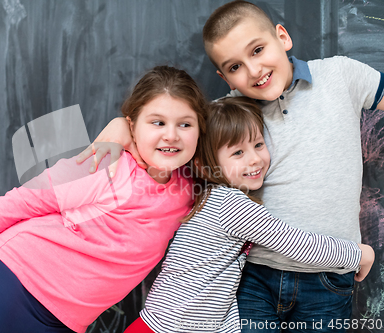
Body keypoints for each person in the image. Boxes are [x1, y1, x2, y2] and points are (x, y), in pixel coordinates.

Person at [77, 1, 384, 331]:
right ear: (225, 78)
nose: (253, 71)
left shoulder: (341, 74)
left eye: (258, 50)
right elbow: (167, 134)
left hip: (328, 278)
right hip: (255, 276)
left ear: (282, 37)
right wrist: (121, 126)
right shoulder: (222, 117)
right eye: (235, 67)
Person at [0, 65, 207, 333]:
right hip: (13, 279)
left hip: (67, 321)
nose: (171, 135)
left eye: (185, 124)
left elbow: (236, 123)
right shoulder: (105, 164)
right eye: (157, 122)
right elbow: (21, 202)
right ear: (132, 125)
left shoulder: (189, 189)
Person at [122, 97, 374, 333]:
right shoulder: (229, 204)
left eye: (258, 144)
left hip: (164, 321)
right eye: (237, 153)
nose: (254, 159)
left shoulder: (208, 196)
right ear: (203, 164)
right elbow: (296, 243)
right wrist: (358, 254)